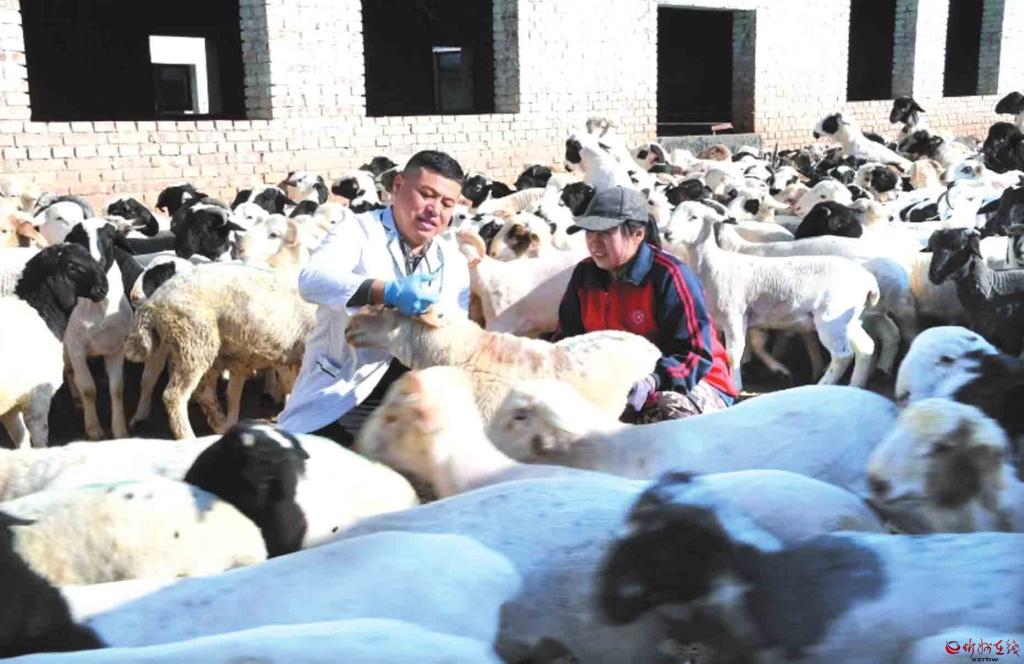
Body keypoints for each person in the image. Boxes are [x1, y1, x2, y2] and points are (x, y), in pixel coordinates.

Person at [277, 150, 470, 443]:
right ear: (398, 186)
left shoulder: (453, 261)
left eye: (447, 203)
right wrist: (385, 291)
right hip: (339, 396)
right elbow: (312, 280)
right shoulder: (357, 230)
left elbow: (454, 338)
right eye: (426, 195)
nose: (435, 210)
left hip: (410, 406)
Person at [554, 185, 736, 423]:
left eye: (606, 232)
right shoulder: (584, 275)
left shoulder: (669, 275)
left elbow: (695, 353)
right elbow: (567, 340)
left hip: (692, 381)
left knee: (662, 410)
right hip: (618, 382)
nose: (594, 242)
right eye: (589, 232)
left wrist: (652, 381)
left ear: (638, 234)